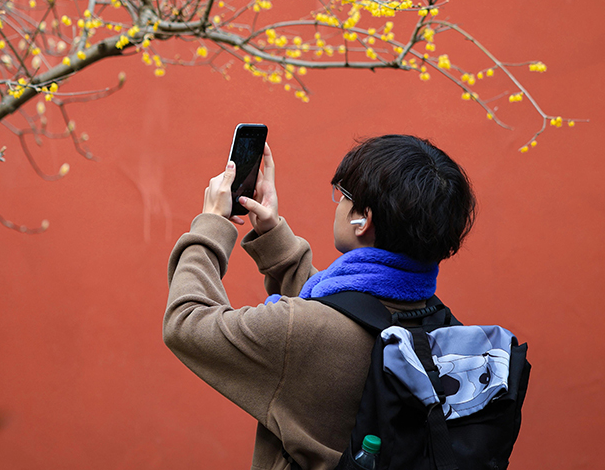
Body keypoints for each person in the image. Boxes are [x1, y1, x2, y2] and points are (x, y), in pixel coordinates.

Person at [163, 134, 477, 470]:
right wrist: (272, 234)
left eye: (342, 195)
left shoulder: (302, 334)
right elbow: (350, 312)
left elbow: (186, 322)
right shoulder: (439, 327)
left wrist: (212, 223)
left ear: (363, 220)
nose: (337, 203)